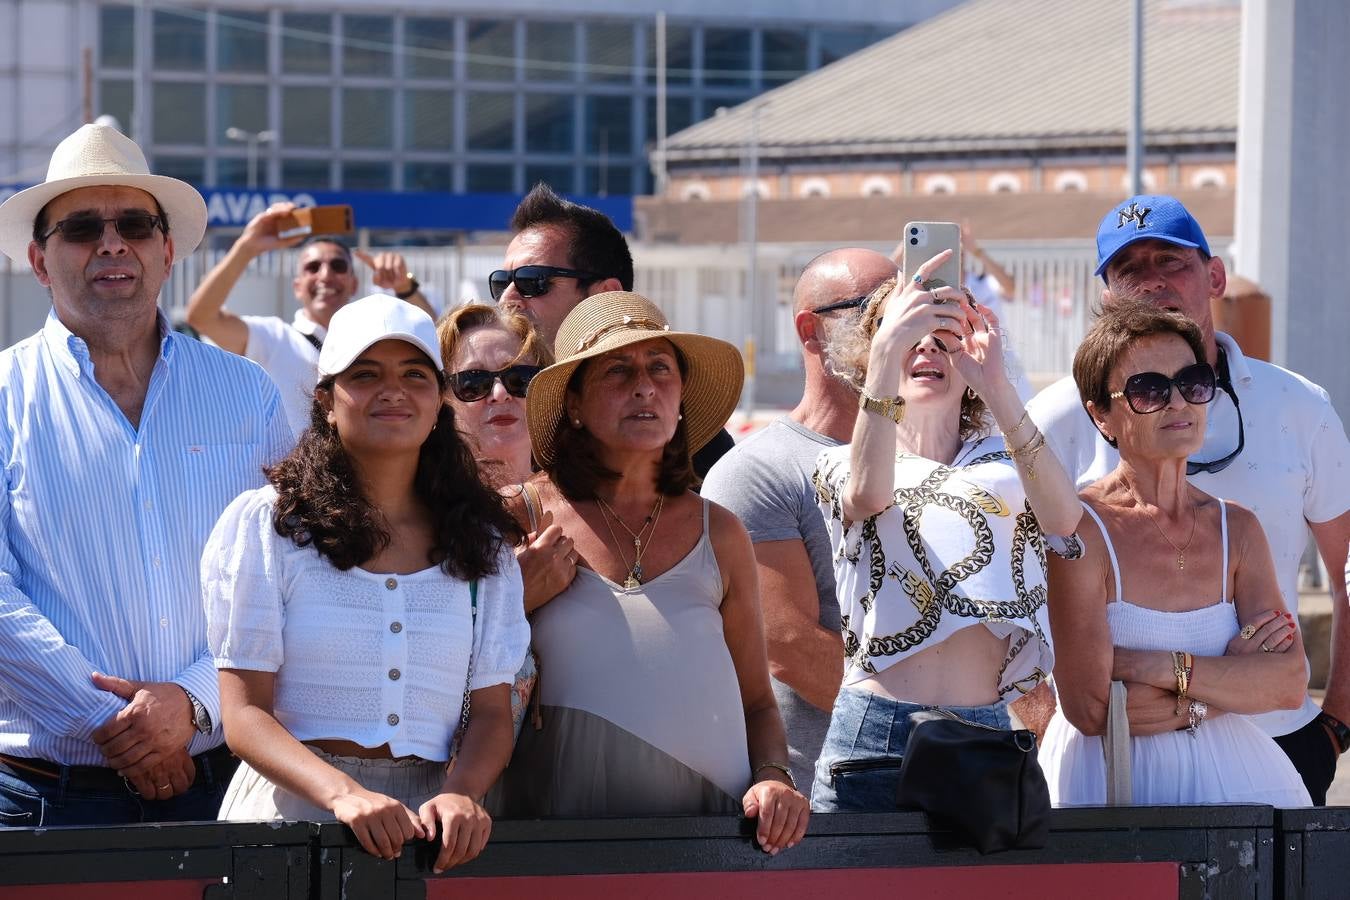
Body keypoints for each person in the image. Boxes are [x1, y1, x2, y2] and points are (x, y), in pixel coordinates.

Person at [0, 123, 290, 825]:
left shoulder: (248, 392)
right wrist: (118, 723)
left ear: (166, 252)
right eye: (81, 229)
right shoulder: (6, 394)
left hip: (227, 784)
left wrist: (190, 703)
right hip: (46, 795)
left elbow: (294, 565)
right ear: (41, 261)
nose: (111, 243)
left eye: (134, 222)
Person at [1027, 194, 1350, 804]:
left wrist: (1336, 724)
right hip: (1114, 750)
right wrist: (1054, 718)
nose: (1152, 282)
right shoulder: (1056, 417)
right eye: (1129, 269)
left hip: (1279, 743)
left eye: (1170, 262)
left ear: (1214, 276)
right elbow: (996, 585)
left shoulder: (1301, 408)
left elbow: (1347, 575)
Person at [205, 295, 528, 872]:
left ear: (438, 402)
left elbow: (491, 715)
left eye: (414, 375)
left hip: (428, 834)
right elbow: (245, 715)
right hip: (286, 822)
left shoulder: (481, 543)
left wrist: (462, 792)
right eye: (365, 374)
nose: (393, 391)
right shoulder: (268, 523)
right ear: (327, 401)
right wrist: (342, 794)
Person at [491, 292, 809, 855]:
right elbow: (451, 672)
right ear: (573, 404)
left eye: (660, 368)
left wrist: (774, 778)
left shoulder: (723, 531)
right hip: (553, 849)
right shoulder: (518, 516)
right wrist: (512, 599)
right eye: (618, 370)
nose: (645, 386)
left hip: (710, 851)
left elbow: (758, 700)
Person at [810, 251, 1081, 812]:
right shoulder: (841, 462)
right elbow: (867, 493)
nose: (928, 347)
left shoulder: (1004, 464)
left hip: (984, 730)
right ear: (876, 353)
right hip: (877, 734)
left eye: (943, 334)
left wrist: (998, 384)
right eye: (909, 334)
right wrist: (886, 353)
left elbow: (1063, 520)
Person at [1040, 300, 1310, 807]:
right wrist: (1226, 681)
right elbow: (1092, 709)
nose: (1179, 402)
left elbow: (1289, 684)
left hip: (1243, 785)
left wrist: (1158, 667)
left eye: (1193, 382)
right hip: (1111, 785)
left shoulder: (1240, 528)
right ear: (1102, 415)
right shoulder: (1078, 531)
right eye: (1148, 390)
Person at [701, 247, 897, 790]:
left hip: (946, 781)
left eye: (905, 302)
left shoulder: (940, 456)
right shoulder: (758, 471)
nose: (898, 323)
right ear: (810, 331)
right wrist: (936, 713)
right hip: (822, 798)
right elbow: (788, 644)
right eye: (874, 309)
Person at [496, 183, 735, 478]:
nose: (507, 298)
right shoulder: (489, 403)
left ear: (606, 294)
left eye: (532, 281)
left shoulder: (683, 438)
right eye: (501, 282)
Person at [186, 202, 436, 435]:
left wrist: (405, 286)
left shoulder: (374, 344)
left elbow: (435, 335)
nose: (325, 275)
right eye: (312, 267)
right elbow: (202, 316)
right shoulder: (275, 339)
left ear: (353, 284)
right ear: (297, 286)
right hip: (291, 480)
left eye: (338, 266)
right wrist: (248, 246)